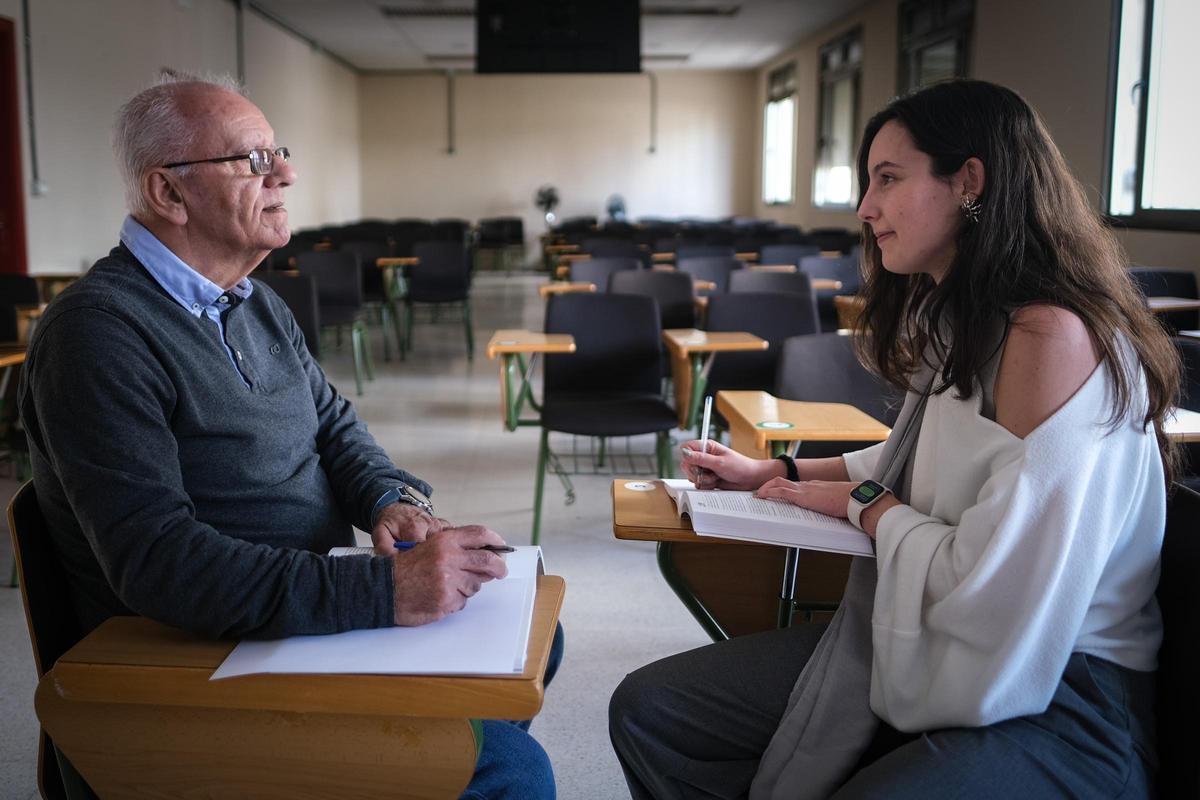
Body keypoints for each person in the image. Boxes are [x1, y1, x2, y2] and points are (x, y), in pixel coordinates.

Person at [609, 79, 1179, 799]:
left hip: (1062, 689)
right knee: (651, 710)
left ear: (968, 181)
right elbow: (918, 465)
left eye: (887, 178)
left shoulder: (1050, 335)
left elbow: (990, 580)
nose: (864, 208)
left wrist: (866, 506)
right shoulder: (961, 315)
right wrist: (776, 469)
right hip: (943, 635)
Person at [19, 72, 559, 800]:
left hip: (294, 610)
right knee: (506, 770)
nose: (287, 174)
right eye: (252, 159)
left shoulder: (255, 302)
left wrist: (387, 498)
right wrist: (382, 590)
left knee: (532, 636)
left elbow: (333, 424)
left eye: (279, 152)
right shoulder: (96, 334)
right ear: (168, 193)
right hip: (197, 654)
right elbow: (160, 565)